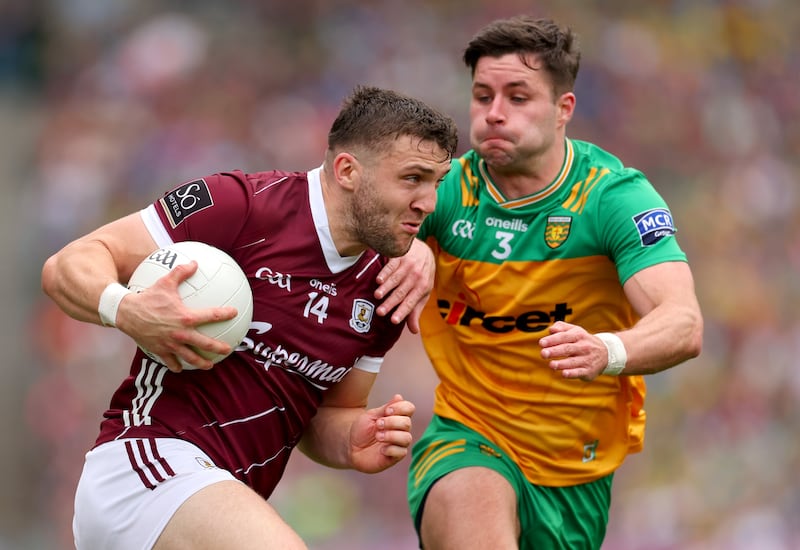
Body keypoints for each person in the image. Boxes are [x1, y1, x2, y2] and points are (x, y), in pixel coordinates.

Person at [41, 85, 458, 550]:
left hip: (221, 499)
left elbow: (329, 416)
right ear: (347, 171)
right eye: (412, 179)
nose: (430, 202)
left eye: (436, 183)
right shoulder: (241, 206)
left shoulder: (387, 290)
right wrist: (128, 310)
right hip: (144, 466)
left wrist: (355, 439)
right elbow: (68, 266)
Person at [389, 15, 704, 550]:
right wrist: (411, 242)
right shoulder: (443, 190)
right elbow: (344, 229)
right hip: (468, 437)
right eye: (482, 95)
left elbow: (683, 323)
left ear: (564, 109)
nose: (493, 114)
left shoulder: (612, 198)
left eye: (517, 97)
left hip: (577, 473)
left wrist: (607, 350)